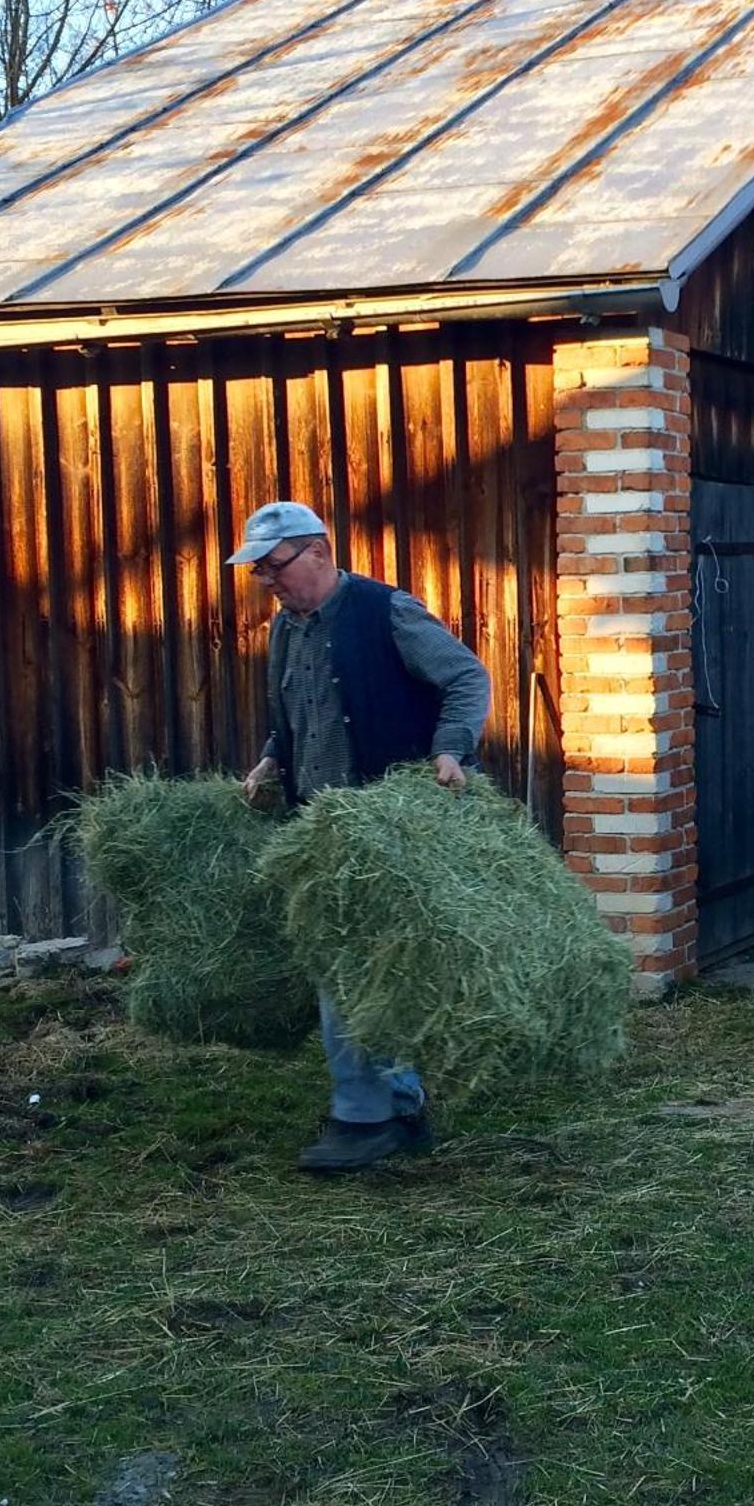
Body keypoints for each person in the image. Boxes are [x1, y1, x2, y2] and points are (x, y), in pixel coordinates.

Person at [229, 501, 491, 1174]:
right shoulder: (286, 632)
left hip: (387, 827)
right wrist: (272, 758)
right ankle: (382, 1104)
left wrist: (451, 750)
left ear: (317, 550)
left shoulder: (386, 612)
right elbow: (298, 714)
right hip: (320, 829)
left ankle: (371, 1112)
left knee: (363, 969)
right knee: (342, 965)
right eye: (258, 572)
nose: (269, 581)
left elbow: (466, 677)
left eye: (275, 566)